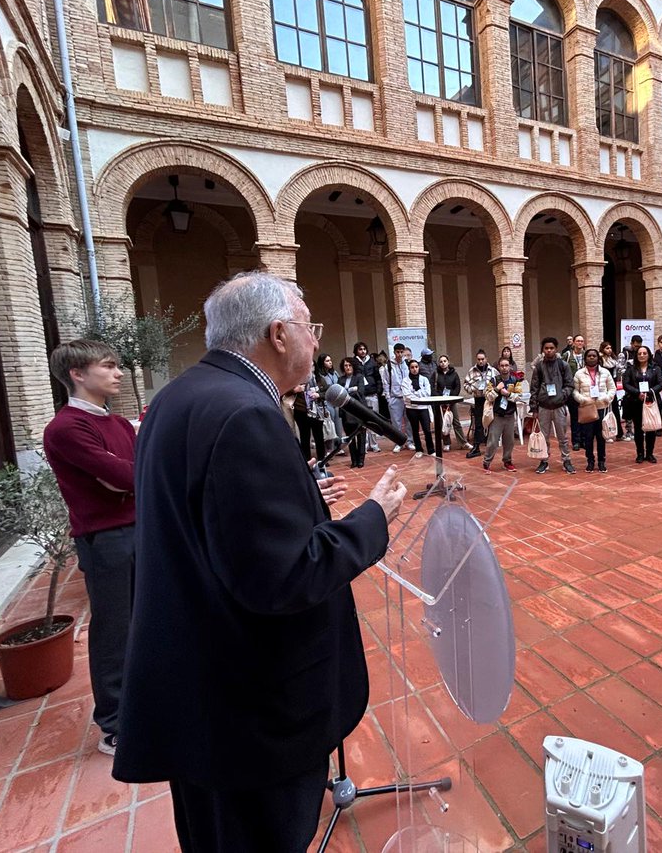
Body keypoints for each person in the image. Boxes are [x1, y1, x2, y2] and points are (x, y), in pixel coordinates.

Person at [113, 272, 407, 852]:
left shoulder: (181, 394)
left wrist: (300, 504)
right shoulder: (247, 414)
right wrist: (373, 518)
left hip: (199, 686)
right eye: (309, 327)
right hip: (249, 708)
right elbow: (284, 577)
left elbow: (212, 521)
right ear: (277, 333)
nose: (317, 341)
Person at [43, 339, 136, 756]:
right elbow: (123, 478)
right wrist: (130, 476)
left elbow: (131, 475)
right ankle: (114, 724)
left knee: (148, 620)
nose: (118, 373)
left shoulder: (116, 425)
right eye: (108, 366)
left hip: (141, 529)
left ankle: (149, 704)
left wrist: (130, 476)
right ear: (77, 374)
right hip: (106, 540)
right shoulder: (65, 428)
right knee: (115, 630)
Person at [529, 336, 576, 474]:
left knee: (563, 437)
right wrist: (534, 408)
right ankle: (544, 461)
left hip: (559, 406)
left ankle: (566, 460)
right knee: (544, 437)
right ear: (543, 350)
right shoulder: (539, 366)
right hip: (543, 407)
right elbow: (534, 388)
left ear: (556, 349)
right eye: (546, 348)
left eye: (551, 348)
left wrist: (562, 395)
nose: (549, 350)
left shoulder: (563, 365)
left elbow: (570, 384)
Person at [573, 348, 614, 472]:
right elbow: (574, 391)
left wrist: (606, 398)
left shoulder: (605, 372)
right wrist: (583, 399)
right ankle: (590, 461)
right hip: (587, 409)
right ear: (585, 358)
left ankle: (602, 461)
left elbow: (612, 388)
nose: (591, 358)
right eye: (589, 356)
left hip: (601, 408)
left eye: (594, 356)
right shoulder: (579, 373)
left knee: (601, 437)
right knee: (588, 437)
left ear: (598, 358)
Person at [622, 344, 661, 464]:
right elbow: (626, 384)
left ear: (649, 355)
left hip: (651, 401)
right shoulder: (631, 368)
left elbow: (660, 383)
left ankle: (650, 453)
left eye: (644, 353)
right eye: (639, 353)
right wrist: (637, 393)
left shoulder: (655, 368)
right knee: (639, 429)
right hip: (636, 402)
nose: (642, 355)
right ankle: (640, 453)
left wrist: (649, 392)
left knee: (651, 428)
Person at [482, 356, 521, 472]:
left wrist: (507, 394)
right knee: (493, 441)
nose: (504, 368)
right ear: (499, 367)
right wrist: (497, 390)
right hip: (497, 416)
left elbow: (518, 397)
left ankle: (507, 461)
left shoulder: (515, 380)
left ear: (510, 367)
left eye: (506, 365)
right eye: (502, 366)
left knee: (509, 442)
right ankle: (487, 461)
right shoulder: (493, 381)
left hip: (510, 416)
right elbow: (488, 396)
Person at [337, 357, 369, 468]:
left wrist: (347, 392)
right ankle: (354, 460)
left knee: (361, 436)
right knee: (350, 438)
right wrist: (352, 390)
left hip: (358, 410)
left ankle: (361, 460)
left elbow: (360, 392)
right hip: (346, 412)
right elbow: (338, 396)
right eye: (345, 365)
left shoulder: (359, 377)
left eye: (350, 365)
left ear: (354, 366)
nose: (348, 368)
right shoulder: (340, 380)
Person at [289, 373, 327, 462]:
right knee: (304, 437)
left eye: (312, 366)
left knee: (319, 436)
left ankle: (322, 459)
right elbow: (284, 391)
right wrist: (295, 390)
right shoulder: (296, 378)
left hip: (317, 410)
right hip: (301, 410)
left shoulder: (319, 379)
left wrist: (319, 395)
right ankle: (307, 460)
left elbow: (327, 392)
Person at [434, 354, 468, 452]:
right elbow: (433, 388)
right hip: (440, 402)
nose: (443, 363)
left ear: (448, 362)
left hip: (451, 402)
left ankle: (463, 442)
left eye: (445, 361)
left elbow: (457, 387)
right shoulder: (436, 374)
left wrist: (451, 398)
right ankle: (446, 443)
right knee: (444, 422)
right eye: (441, 361)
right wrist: (439, 398)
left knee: (456, 422)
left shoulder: (454, 374)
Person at [353, 342, 382, 453]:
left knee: (374, 420)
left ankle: (374, 444)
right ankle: (363, 445)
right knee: (362, 421)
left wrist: (378, 390)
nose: (363, 351)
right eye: (360, 349)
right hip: (360, 396)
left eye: (364, 349)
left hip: (372, 394)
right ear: (356, 351)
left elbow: (378, 378)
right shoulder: (354, 363)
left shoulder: (372, 362)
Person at [464, 349, 493, 459]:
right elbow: (465, 384)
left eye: (482, 359)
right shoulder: (472, 371)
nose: (481, 361)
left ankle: (491, 447)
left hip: (490, 400)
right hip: (479, 400)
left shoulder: (492, 371)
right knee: (479, 423)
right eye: (479, 359)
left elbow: (498, 382)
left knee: (491, 422)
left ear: (486, 359)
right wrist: (472, 389)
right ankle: (476, 447)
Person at [404, 359, 435, 455]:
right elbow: (407, 396)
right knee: (415, 429)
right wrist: (419, 395)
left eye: (416, 367)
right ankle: (419, 449)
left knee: (427, 429)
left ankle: (431, 449)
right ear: (409, 369)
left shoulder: (424, 379)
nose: (414, 369)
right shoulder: (405, 381)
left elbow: (427, 393)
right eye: (412, 367)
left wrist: (415, 393)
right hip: (411, 408)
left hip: (423, 408)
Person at [386, 343, 413, 452]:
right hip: (394, 397)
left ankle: (410, 441)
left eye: (402, 352)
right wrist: (388, 398)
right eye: (398, 352)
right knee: (396, 423)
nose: (400, 354)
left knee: (409, 421)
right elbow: (386, 383)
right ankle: (398, 442)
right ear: (394, 352)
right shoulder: (388, 365)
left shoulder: (407, 363)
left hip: (406, 397)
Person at [562, 335, 587, 450]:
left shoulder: (586, 354)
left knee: (585, 416)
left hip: (585, 390)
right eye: (578, 341)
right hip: (572, 390)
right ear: (573, 343)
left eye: (581, 341)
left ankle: (584, 440)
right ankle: (576, 441)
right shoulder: (567, 355)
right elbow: (561, 369)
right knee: (575, 416)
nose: (580, 343)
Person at [315, 354, 343, 449]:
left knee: (338, 424)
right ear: (322, 363)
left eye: (330, 360)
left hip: (337, 402)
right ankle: (330, 448)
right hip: (327, 403)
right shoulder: (319, 376)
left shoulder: (334, 373)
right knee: (330, 426)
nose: (330, 362)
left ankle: (338, 446)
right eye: (327, 361)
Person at [600, 341, 625, 442]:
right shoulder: (600, 360)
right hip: (603, 388)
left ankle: (619, 433)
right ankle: (605, 433)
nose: (609, 350)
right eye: (607, 348)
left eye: (610, 348)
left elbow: (617, 373)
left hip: (612, 386)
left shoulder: (614, 359)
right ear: (602, 349)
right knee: (604, 411)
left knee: (615, 410)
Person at [375, 350, 391, 421]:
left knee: (384, 414)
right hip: (387, 393)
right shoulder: (387, 368)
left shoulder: (381, 369)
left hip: (383, 393)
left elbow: (383, 382)